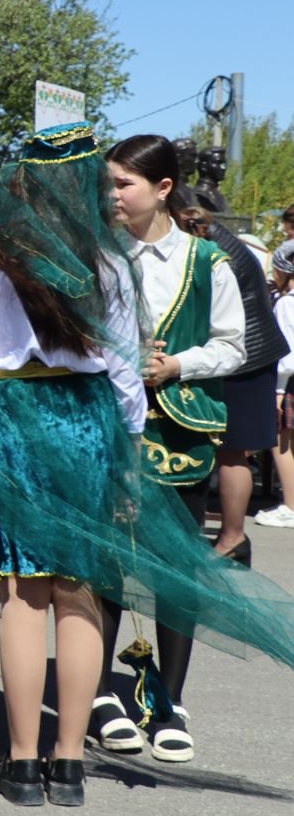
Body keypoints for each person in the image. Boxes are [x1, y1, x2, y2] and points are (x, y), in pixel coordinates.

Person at [0, 122, 294, 803]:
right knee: (80, 588)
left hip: (15, 413)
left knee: (23, 591)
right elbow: (123, 370)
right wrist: (128, 440)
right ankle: (70, 764)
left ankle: (21, 765)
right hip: (90, 421)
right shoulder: (110, 261)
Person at [93, 135, 244, 762]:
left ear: (162, 188)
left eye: (123, 184)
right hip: (105, 427)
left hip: (180, 433)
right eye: (108, 183)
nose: (112, 195)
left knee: (176, 569)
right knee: (103, 562)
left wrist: (179, 364)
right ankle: (100, 690)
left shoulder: (209, 262)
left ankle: (168, 697)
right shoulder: (98, 256)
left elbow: (234, 345)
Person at [174, 204, 288, 559]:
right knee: (235, 451)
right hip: (252, 355)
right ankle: (232, 537)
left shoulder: (211, 253)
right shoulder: (226, 242)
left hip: (243, 360)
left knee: (233, 450)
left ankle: (232, 538)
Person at [260, 242, 294, 528]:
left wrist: (278, 390)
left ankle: (291, 506)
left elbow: (286, 354)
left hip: (290, 381)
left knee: (281, 443)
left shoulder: (286, 303)